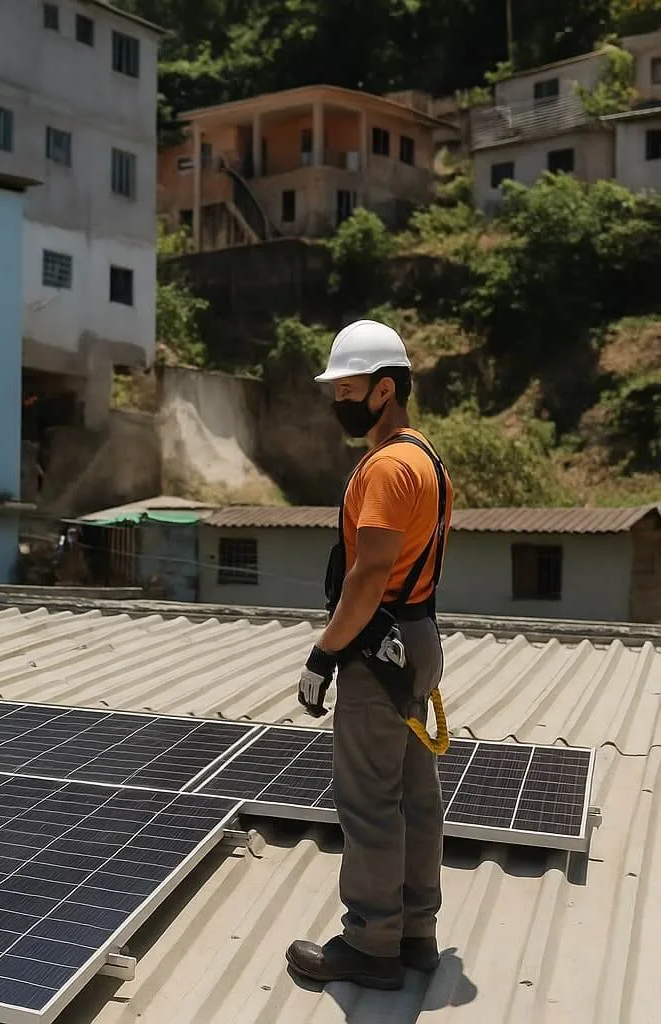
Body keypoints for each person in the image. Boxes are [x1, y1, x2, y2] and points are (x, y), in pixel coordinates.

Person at [285, 319, 455, 991]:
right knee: (414, 797)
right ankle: (415, 934)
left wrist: (324, 653)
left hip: (376, 647)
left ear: (385, 390)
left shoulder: (386, 467)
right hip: (416, 639)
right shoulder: (426, 458)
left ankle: (370, 944)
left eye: (348, 389)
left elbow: (368, 575)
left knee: (369, 802)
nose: (339, 401)